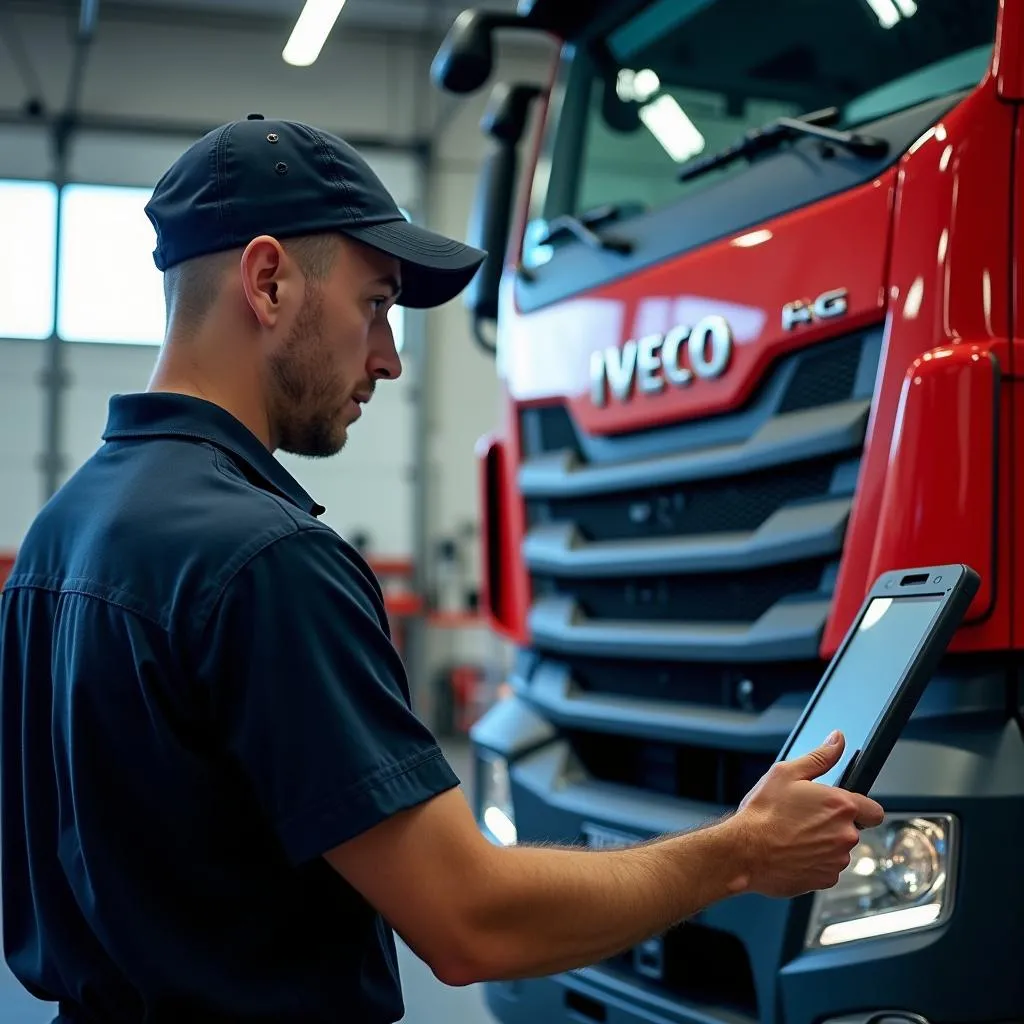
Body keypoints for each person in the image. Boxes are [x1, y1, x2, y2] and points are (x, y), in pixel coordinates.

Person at [0, 114, 884, 1024]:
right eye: (377, 305)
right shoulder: (266, 561)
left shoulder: (59, 533)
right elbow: (473, 924)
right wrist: (743, 851)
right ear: (267, 282)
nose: (386, 359)